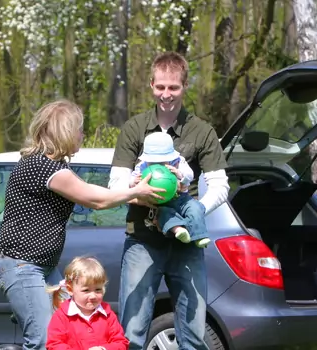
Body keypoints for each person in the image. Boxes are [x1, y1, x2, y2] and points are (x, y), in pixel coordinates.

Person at [0, 99, 165, 350]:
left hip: (42, 266)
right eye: (79, 129)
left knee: (71, 329)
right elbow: (95, 199)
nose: (82, 134)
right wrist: (136, 191)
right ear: (65, 132)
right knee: (43, 340)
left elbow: (96, 192)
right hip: (22, 264)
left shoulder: (55, 166)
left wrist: (135, 191)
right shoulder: (42, 167)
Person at [108, 51, 230, 350]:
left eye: (173, 87)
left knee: (193, 334)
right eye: (160, 87)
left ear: (184, 86)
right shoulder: (134, 129)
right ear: (151, 85)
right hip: (142, 240)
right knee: (132, 331)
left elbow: (220, 186)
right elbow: (114, 183)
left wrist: (196, 210)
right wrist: (134, 189)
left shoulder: (202, 131)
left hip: (186, 245)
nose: (166, 94)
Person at [130, 131, 211, 248]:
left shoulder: (178, 161)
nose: (157, 164)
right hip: (162, 201)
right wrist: (134, 182)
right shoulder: (142, 166)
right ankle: (178, 230)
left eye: (162, 161)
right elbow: (131, 179)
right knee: (164, 214)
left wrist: (179, 173)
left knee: (195, 207)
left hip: (182, 198)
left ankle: (200, 236)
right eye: (152, 162)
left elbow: (190, 175)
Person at [45, 256, 129, 350]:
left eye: (98, 290)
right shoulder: (61, 316)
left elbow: (121, 343)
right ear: (70, 289)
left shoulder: (108, 315)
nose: (93, 296)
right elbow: (54, 345)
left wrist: (104, 349)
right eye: (86, 290)